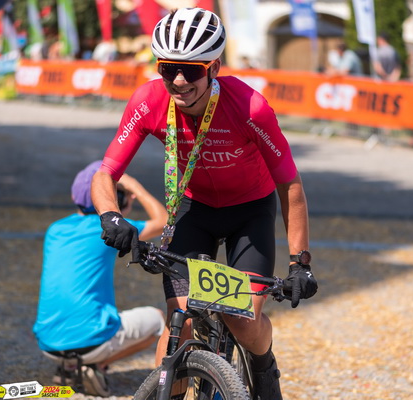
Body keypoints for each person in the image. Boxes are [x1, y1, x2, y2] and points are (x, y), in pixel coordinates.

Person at [91, 8, 318, 400]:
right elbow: (106, 172)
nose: (178, 81)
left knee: (241, 320)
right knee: (179, 321)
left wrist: (300, 263)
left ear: (213, 67)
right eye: (168, 69)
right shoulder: (148, 101)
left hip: (249, 212)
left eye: (191, 71)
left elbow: (290, 185)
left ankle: (263, 366)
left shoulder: (250, 107)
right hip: (194, 210)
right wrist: (111, 216)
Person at [33, 160, 167, 396]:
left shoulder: (55, 229)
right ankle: (93, 366)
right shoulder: (109, 230)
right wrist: (135, 187)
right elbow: (163, 222)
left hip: (48, 344)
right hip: (91, 344)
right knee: (157, 319)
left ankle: (69, 367)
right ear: (118, 199)